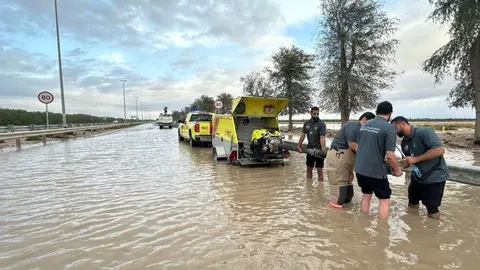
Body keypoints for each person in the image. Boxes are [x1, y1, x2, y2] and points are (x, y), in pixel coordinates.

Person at [390, 116, 449, 220]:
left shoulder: (424, 132)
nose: (394, 131)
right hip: (417, 177)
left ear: (403, 124)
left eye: (395, 127)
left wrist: (416, 159)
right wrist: (395, 163)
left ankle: (433, 230)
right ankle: (413, 228)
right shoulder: (404, 142)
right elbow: (407, 163)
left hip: (435, 177)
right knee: (412, 203)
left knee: (432, 209)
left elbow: (440, 150)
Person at [354, 101, 403, 219]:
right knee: (384, 200)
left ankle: (363, 223)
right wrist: (397, 170)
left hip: (360, 169)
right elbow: (390, 155)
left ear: (377, 112)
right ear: (390, 113)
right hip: (376, 171)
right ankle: (382, 230)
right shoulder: (390, 128)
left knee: (366, 196)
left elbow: (359, 146)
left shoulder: (365, 125)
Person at [326, 111, 376, 208]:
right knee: (339, 189)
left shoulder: (362, 129)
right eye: (371, 123)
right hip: (338, 157)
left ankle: (346, 215)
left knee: (347, 188)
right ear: (364, 119)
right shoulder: (353, 125)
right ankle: (336, 216)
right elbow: (353, 145)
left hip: (347, 159)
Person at [297, 106, 327, 182]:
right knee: (309, 168)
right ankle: (309, 187)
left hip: (319, 150)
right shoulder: (306, 123)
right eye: (314, 114)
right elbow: (303, 135)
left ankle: (320, 188)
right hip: (309, 149)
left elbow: (322, 138)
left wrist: (323, 151)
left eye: (317, 114)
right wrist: (299, 145)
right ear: (311, 113)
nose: (316, 115)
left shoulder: (322, 124)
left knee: (319, 170)